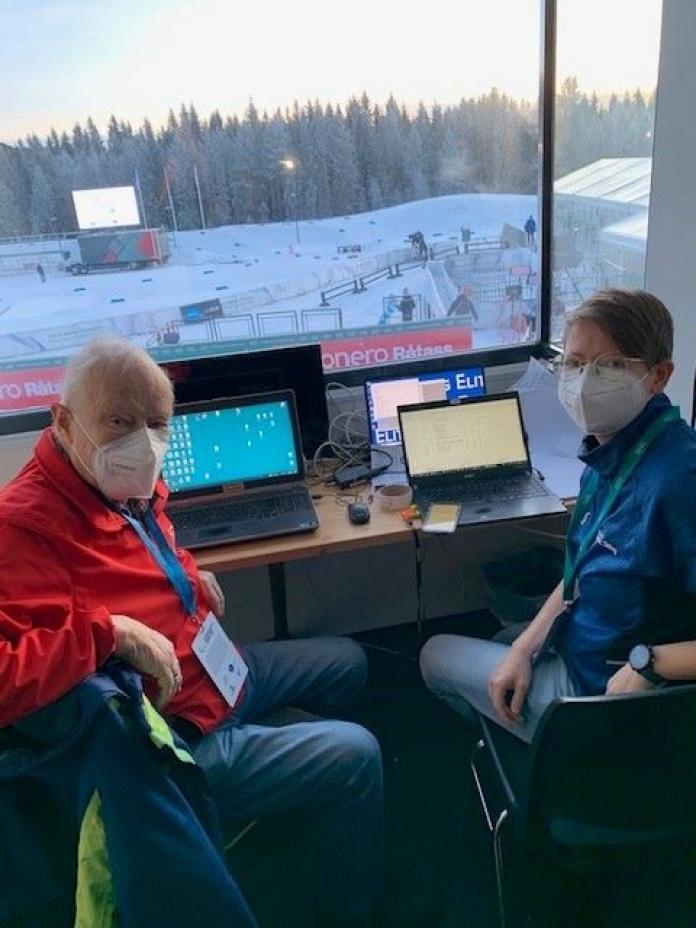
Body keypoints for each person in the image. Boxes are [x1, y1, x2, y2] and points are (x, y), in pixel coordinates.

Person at [0, 337, 383, 927]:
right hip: (170, 737)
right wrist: (108, 635)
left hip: (212, 669)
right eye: (119, 421)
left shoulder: (119, 484)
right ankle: (349, 908)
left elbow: (135, 553)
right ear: (63, 421)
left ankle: (294, 822)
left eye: (156, 424)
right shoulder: (24, 526)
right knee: (359, 753)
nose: (142, 442)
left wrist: (184, 573)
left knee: (350, 660)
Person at [421, 289, 696, 743]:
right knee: (501, 646)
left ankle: (547, 760)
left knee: (434, 654)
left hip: (597, 694)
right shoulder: (612, 451)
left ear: (658, 376)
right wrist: (526, 647)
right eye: (573, 363)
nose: (585, 381)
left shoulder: (679, 479)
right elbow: (584, 570)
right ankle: (521, 725)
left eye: (610, 366)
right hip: (588, 640)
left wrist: (651, 662)